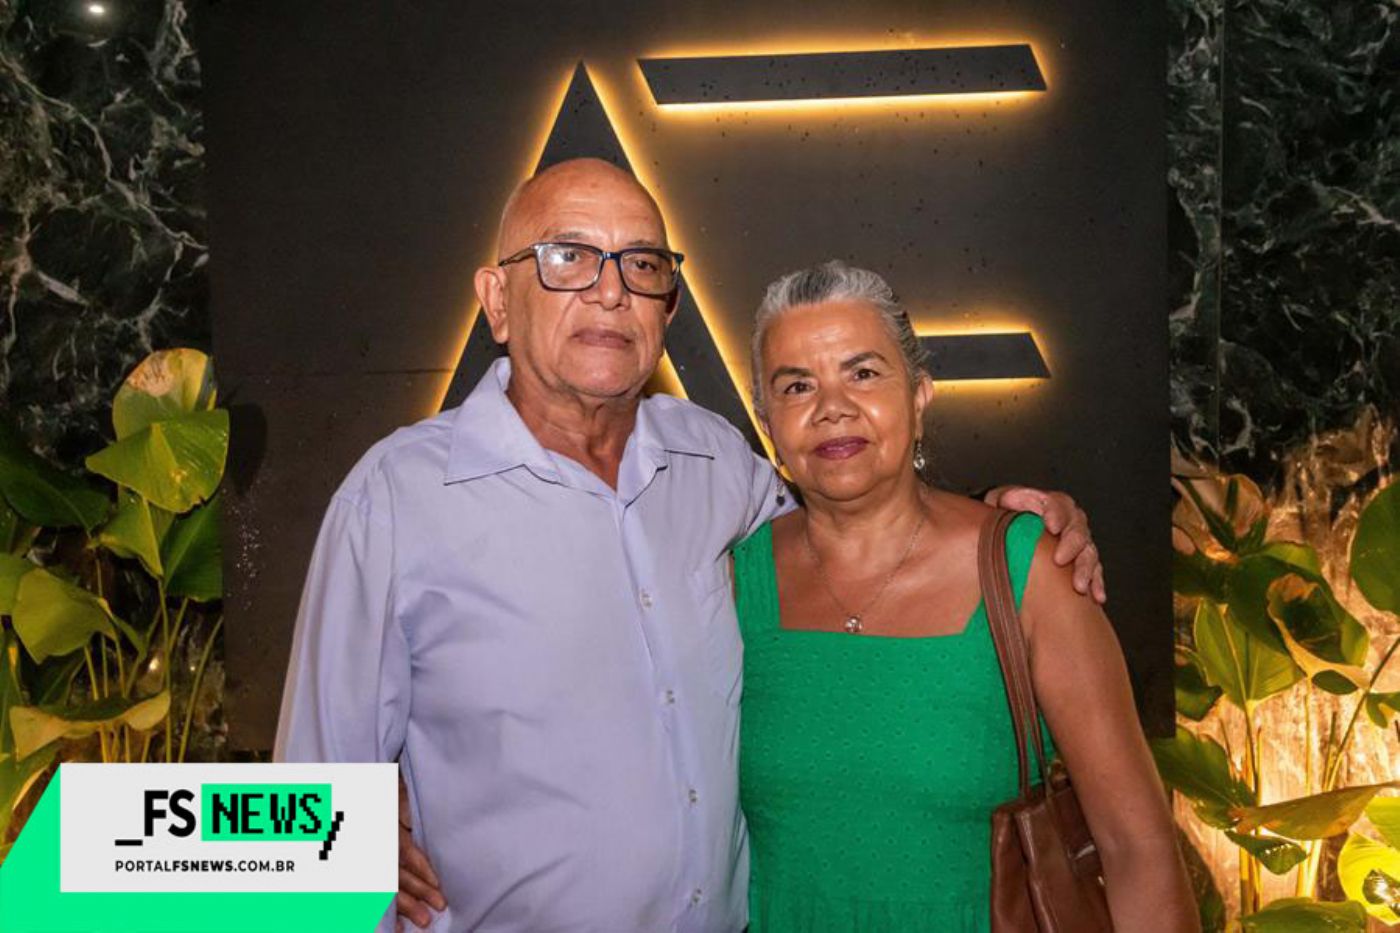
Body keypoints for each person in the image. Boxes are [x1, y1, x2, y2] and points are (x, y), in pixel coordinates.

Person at [276, 158, 1104, 933]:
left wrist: (999, 522)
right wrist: (348, 830)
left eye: (641, 265)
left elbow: (856, 526)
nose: (610, 292)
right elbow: (298, 821)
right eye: (569, 257)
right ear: (497, 300)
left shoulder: (717, 463)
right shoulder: (396, 501)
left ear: (667, 310)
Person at [730, 261, 1195, 931]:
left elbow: (1136, 849)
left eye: (864, 373)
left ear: (919, 395)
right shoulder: (732, 582)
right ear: (766, 419)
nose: (833, 406)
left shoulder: (1026, 570)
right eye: (797, 385)